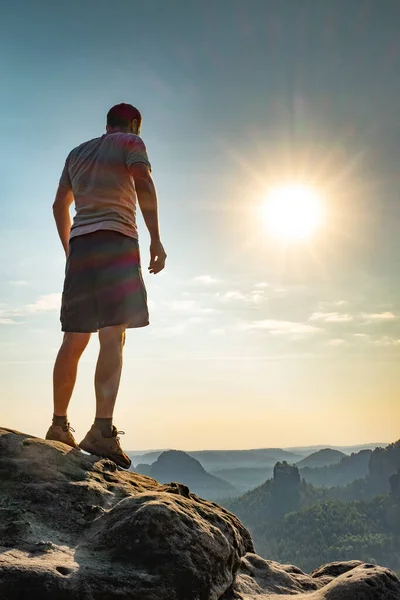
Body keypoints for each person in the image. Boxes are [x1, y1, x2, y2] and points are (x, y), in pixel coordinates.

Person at [45, 103, 166, 469]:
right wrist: (155, 239)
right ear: (132, 124)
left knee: (74, 336)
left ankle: (59, 424)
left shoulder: (76, 153)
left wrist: (72, 248)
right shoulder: (131, 142)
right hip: (116, 239)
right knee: (113, 335)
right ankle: (101, 430)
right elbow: (143, 181)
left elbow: (58, 206)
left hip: (81, 246)